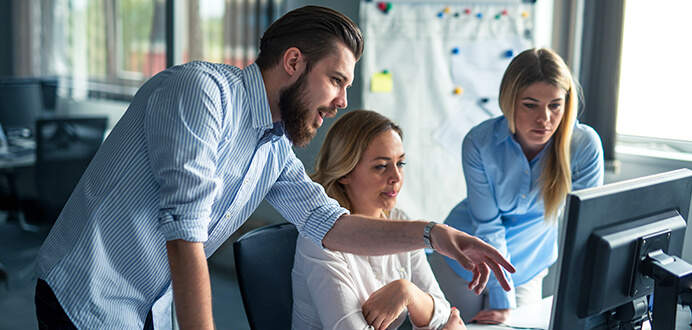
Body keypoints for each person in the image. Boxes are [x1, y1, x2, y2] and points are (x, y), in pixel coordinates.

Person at [33, 6, 515, 330]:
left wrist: (436, 234)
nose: (342, 101)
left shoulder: (273, 146)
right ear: (292, 62)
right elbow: (185, 237)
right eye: (335, 80)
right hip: (88, 298)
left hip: (151, 308)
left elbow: (333, 225)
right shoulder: (202, 95)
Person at [429, 48, 605, 324]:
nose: (544, 119)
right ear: (510, 101)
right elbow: (488, 226)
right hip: (463, 263)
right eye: (530, 104)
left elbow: (583, 230)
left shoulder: (583, 146)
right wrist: (502, 301)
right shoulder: (479, 142)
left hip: (527, 268)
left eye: (555, 105)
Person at [291, 110, 466, 330]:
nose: (396, 177)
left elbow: (442, 314)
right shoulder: (320, 238)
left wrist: (408, 292)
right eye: (381, 166)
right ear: (345, 172)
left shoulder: (401, 222)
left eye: (400, 164)